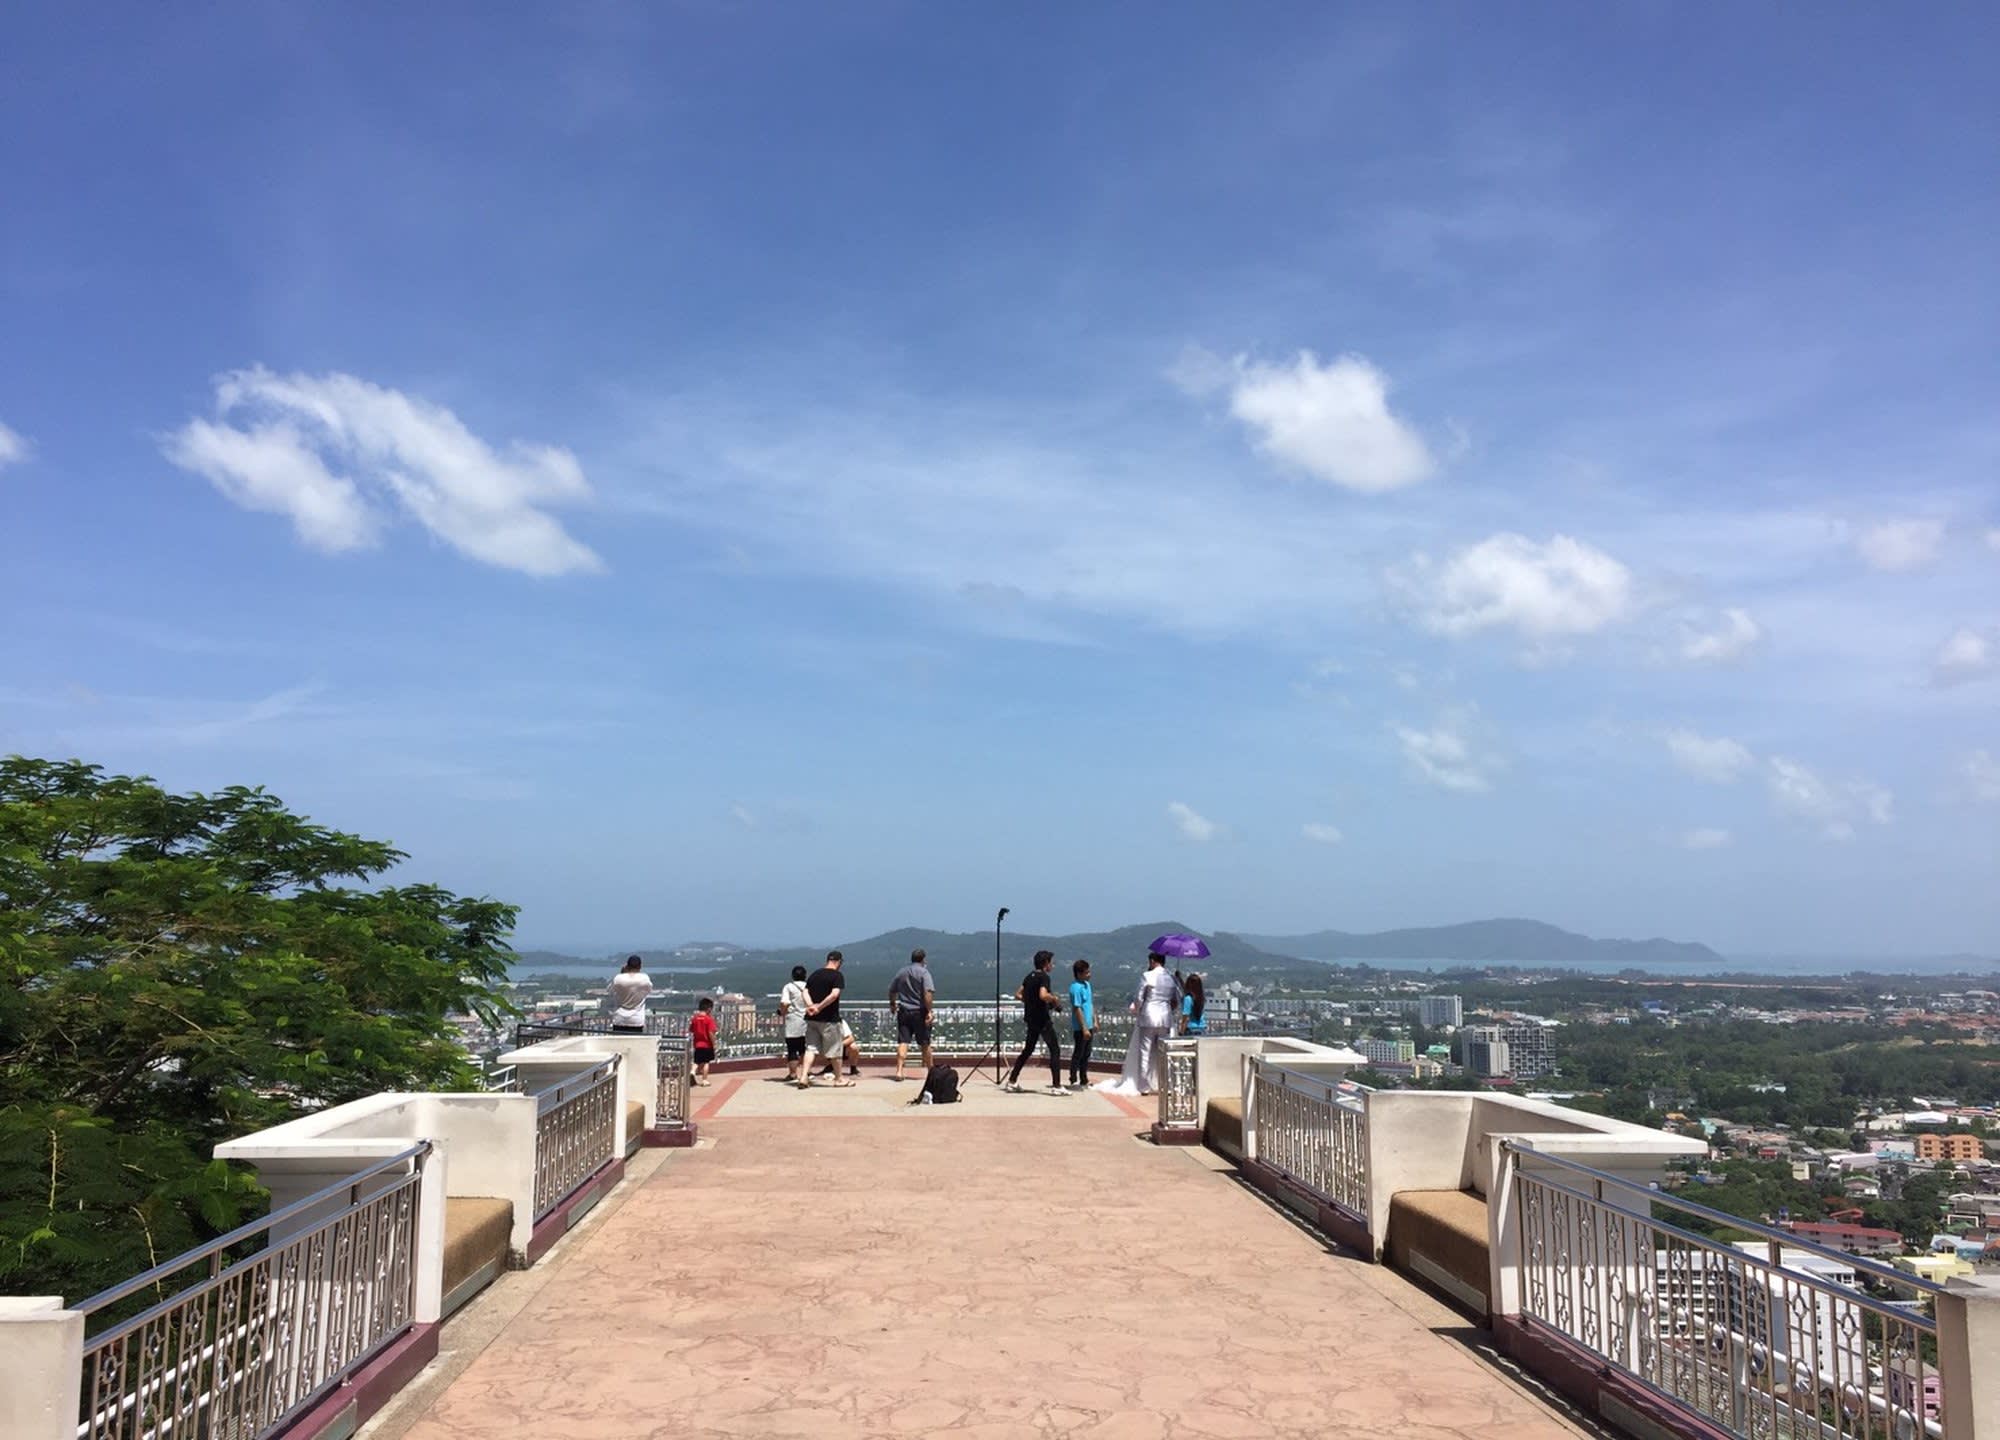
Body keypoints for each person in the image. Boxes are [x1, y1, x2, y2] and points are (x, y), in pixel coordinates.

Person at [1098, 952, 1179, 1095]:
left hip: (1148, 1017)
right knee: (1164, 1053)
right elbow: (1175, 1000)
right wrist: (1167, 1009)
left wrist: (1137, 1010)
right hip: (1165, 1018)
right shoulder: (1171, 978)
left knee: (1145, 1052)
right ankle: (1166, 1084)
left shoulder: (1147, 976)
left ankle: (1144, 1086)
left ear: (1152, 961)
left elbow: (1139, 997)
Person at [1005, 950, 1067, 1094]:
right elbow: (1043, 995)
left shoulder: (1029, 977)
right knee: (1055, 1049)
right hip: (1042, 1019)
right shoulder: (1044, 977)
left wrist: (1030, 1001)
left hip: (1031, 1018)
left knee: (1028, 1050)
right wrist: (1054, 999)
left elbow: (1018, 994)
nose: (1052, 965)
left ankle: (1012, 1081)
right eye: (1051, 962)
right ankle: (1057, 1086)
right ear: (1046, 964)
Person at [799, 951, 855, 1089]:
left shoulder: (815, 974)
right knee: (835, 1050)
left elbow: (805, 992)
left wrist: (811, 1006)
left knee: (810, 1049)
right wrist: (819, 1007)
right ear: (839, 962)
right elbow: (834, 994)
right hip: (829, 1019)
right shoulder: (837, 976)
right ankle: (839, 1079)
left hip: (812, 1019)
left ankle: (804, 1076)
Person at [888, 947, 936, 1081]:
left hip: (904, 1011)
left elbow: (892, 990)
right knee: (925, 1043)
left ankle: (899, 1071)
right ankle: (931, 1072)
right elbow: (927, 993)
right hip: (919, 1012)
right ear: (923, 959)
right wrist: (929, 1011)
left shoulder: (901, 972)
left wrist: (892, 1004)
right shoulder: (924, 973)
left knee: (903, 1041)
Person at [779, 964, 810, 1082]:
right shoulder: (809, 987)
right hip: (807, 1020)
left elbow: (785, 1003)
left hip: (792, 1020)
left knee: (792, 1048)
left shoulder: (788, 987)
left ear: (793, 976)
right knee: (804, 1048)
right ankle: (806, 1072)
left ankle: (793, 1074)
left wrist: (782, 1012)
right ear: (805, 976)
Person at [607, 955, 653, 1034]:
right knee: (635, 1041)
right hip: (637, 1020)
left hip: (619, 1018)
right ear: (640, 966)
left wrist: (622, 973)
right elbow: (649, 990)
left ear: (627, 966)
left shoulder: (618, 978)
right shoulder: (644, 978)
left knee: (618, 1041)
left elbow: (609, 990)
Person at [1067, 959, 1095, 1088]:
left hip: (1089, 1025)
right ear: (1079, 974)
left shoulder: (1087, 985)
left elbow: (1090, 1004)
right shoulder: (1075, 988)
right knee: (1078, 1053)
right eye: (1086, 972)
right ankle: (1073, 1078)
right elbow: (1077, 1008)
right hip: (1080, 1027)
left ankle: (1084, 1078)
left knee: (1086, 1053)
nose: (1089, 974)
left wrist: (1095, 1021)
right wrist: (1084, 1028)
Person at [689, 996, 718, 1085]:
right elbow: (711, 1033)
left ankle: (692, 1071)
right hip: (707, 1045)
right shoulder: (709, 1020)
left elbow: (691, 1030)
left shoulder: (695, 1019)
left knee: (696, 1061)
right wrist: (714, 1044)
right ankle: (704, 1080)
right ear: (709, 1009)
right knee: (706, 1062)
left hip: (697, 1044)